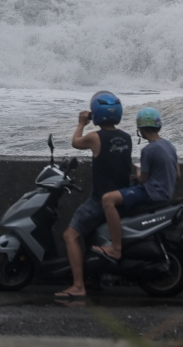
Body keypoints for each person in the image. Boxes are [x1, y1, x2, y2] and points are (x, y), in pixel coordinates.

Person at [56, 91, 132, 301]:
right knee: (91, 236)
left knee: (70, 236)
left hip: (101, 200)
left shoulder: (95, 137)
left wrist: (81, 122)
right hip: (122, 196)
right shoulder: (125, 137)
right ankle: (93, 278)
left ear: (96, 114)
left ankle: (78, 286)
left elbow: (75, 142)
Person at [92, 107, 180, 261]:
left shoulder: (148, 150)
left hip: (152, 193)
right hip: (166, 193)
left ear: (141, 130)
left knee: (108, 199)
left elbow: (143, 180)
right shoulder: (169, 145)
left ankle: (115, 248)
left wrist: (138, 173)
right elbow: (177, 174)